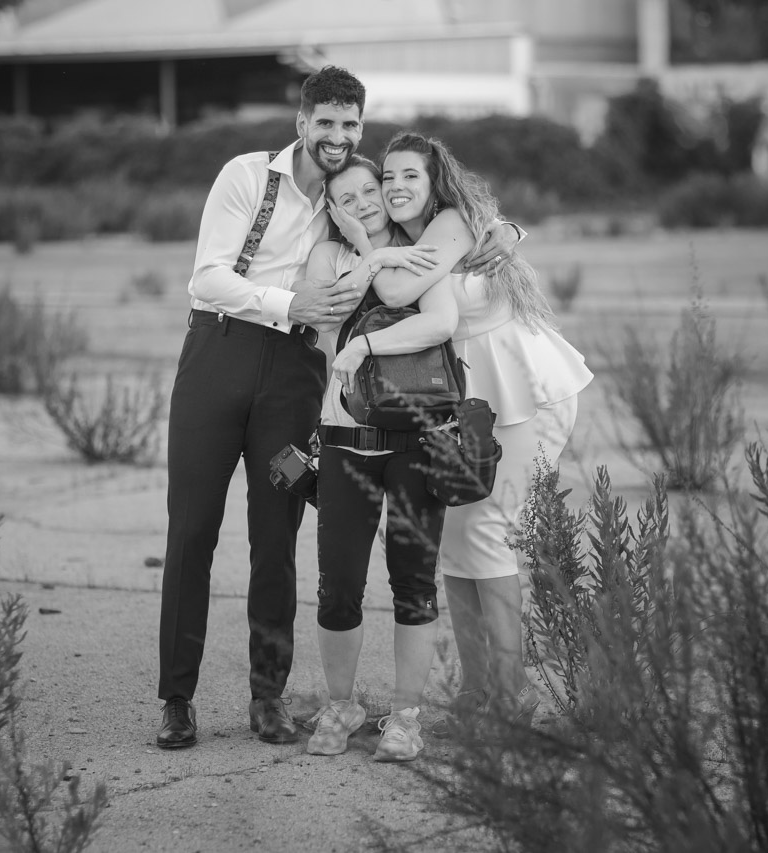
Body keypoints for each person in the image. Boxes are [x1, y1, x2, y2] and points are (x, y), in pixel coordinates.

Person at [157, 67, 521, 750]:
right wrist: (288, 301)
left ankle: (268, 697)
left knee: (277, 534)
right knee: (192, 529)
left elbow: (433, 208)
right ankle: (177, 698)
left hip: (296, 368)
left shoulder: (354, 194)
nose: (337, 136)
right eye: (324, 122)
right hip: (220, 351)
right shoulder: (247, 177)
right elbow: (207, 276)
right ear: (302, 123)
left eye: (349, 125)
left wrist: (505, 228)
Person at [333, 131, 593, 726]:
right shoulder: (406, 238)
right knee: (453, 536)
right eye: (388, 177)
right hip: (467, 398)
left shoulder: (450, 222)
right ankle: (476, 692)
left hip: (523, 388)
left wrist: (368, 249)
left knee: (490, 533)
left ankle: (512, 694)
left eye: (410, 176)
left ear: (435, 183)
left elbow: (397, 290)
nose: (396, 187)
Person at [302, 156, 460, 762]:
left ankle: (405, 717)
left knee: (413, 582)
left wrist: (381, 253)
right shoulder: (326, 256)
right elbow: (330, 323)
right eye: (348, 197)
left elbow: (438, 326)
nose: (366, 201)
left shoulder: (420, 248)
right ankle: (342, 704)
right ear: (332, 208)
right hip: (345, 438)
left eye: (371, 189)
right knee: (338, 584)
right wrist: (369, 255)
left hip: (417, 437)